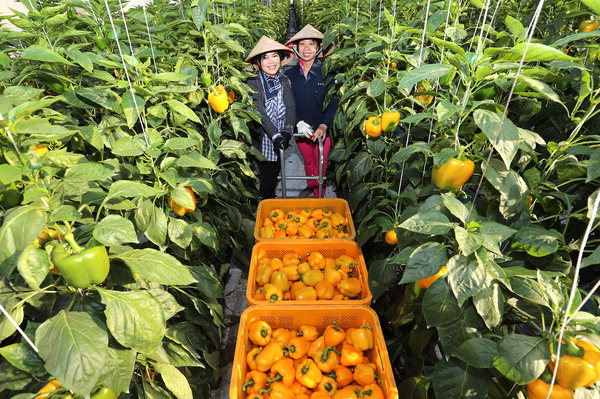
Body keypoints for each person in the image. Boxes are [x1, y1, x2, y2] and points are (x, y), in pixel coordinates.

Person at [285, 24, 338, 198]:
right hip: (302, 130)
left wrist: (324, 125)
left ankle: (319, 195)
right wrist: (298, 123)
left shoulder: (328, 74)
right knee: (308, 162)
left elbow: (333, 102)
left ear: (318, 48)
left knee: (322, 164)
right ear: (296, 48)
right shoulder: (291, 74)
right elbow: (288, 103)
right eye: (302, 44)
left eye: (311, 44)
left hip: (323, 129)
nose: (307, 49)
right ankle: (312, 189)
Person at [245, 36, 296, 200]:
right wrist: (275, 135)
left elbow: (290, 107)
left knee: (274, 171)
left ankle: (268, 198)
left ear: (280, 58)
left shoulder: (284, 80)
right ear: (258, 63)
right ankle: (263, 203)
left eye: (275, 56)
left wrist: (287, 131)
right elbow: (260, 112)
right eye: (265, 57)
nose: (271, 61)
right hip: (262, 137)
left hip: (279, 135)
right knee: (263, 174)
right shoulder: (253, 83)